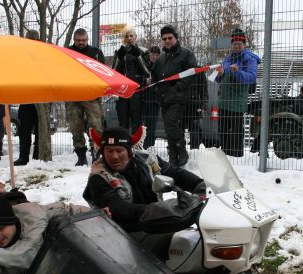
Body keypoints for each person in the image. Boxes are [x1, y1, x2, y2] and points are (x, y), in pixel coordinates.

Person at [83, 127, 205, 231]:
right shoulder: (99, 176)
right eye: (109, 151)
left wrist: (201, 185)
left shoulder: (148, 159)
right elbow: (116, 207)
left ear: (129, 151)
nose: (114, 156)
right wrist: (161, 211)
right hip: (124, 234)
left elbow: (175, 173)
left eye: (119, 150)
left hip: (156, 223)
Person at [151, 24, 198, 167]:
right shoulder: (161, 58)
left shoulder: (186, 54)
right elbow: (154, 77)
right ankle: (173, 157)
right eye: (164, 38)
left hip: (180, 97)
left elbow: (192, 73)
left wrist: (177, 88)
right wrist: (158, 91)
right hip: (164, 99)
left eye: (170, 38)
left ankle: (181, 149)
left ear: (176, 38)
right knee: (168, 127)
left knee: (171, 123)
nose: (167, 41)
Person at [216, 28, 260, 158]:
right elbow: (220, 79)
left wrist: (237, 72)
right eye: (234, 43)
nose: (236, 46)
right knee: (223, 130)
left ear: (244, 44)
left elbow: (251, 77)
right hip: (224, 100)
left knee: (236, 131)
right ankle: (224, 155)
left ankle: (236, 157)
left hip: (237, 102)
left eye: (239, 43)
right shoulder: (227, 59)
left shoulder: (250, 59)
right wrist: (220, 74)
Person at [66, 28, 105, 166]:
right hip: (72, 95)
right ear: (74, 40)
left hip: (91, 94)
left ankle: (96, 154)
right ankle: (81, 156)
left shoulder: (96, 53)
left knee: (96, 126)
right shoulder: (67, 52)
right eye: (78, 40)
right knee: (75, 127)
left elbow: (103, 71)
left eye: (84, 40)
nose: (81, 43)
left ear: (87, 39)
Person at [14, 30, 52, 166]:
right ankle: (23, 156)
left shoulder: (44, 54)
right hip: (26, 97)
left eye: (33, 40)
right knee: (24, 129)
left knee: (41, 128)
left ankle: (38, 156)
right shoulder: (20, 56)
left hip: (41, 97)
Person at [112, 26, 150, 134]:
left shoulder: (144, 51)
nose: (129, 38)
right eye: (126, 36)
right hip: (122, 92)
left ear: (135, 37)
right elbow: (113, 73)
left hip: (137, 91)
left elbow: (147, 72)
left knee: (136, 123)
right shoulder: (119, 52)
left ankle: (136, 144)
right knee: (123, 122)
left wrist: (138, 56)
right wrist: (119, 58)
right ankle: (124, 143)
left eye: (131, 36)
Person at [142, 45, 161, 149]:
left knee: (152, 123)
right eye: (153, 54)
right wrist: (145, 81)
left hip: (154, 100)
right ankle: (141, 143)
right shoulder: (144, 65)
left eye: (156, 54)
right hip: (143, 98)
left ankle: (149, 145)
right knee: (141, 123)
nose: (154, 56)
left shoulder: (160, 66)